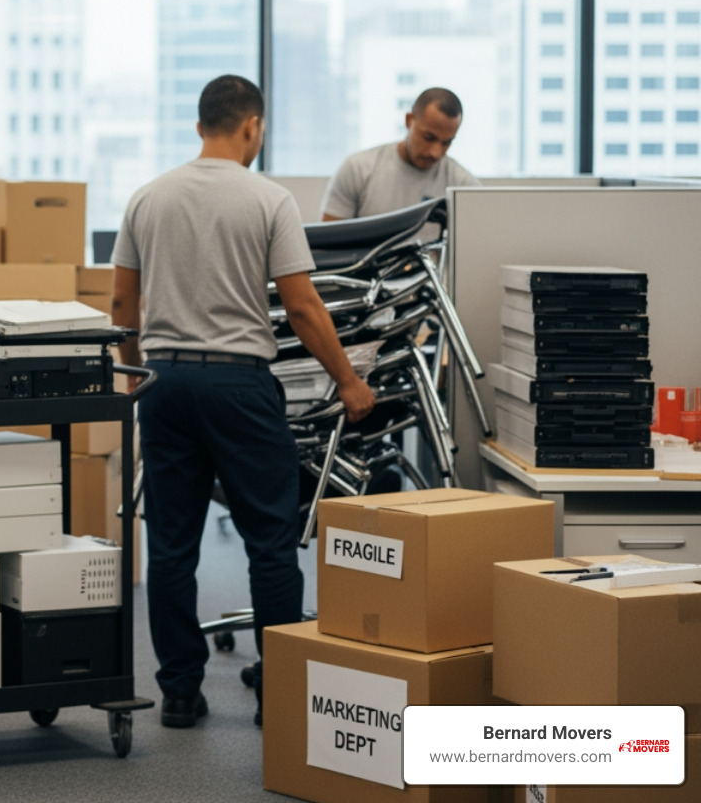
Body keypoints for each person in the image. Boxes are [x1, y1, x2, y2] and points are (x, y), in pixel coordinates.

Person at [111, 74, 375, 730]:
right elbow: (302, 306)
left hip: (165, 383)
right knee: (270, 540)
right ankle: (279, 690)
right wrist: (347, 380)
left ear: (201, 124)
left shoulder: (148, 197)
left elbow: (121, 306)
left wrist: (135, 373)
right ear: (251, 125)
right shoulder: (270, 199)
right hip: (239, 384)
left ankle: (178, 692)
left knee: (171, 546)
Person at [320, 86, 481, 221]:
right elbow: (328, 245)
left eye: (446, 142)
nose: (435, 152)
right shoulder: (357, 169)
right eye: (428, 137)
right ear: (409, 120)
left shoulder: (463, 186)